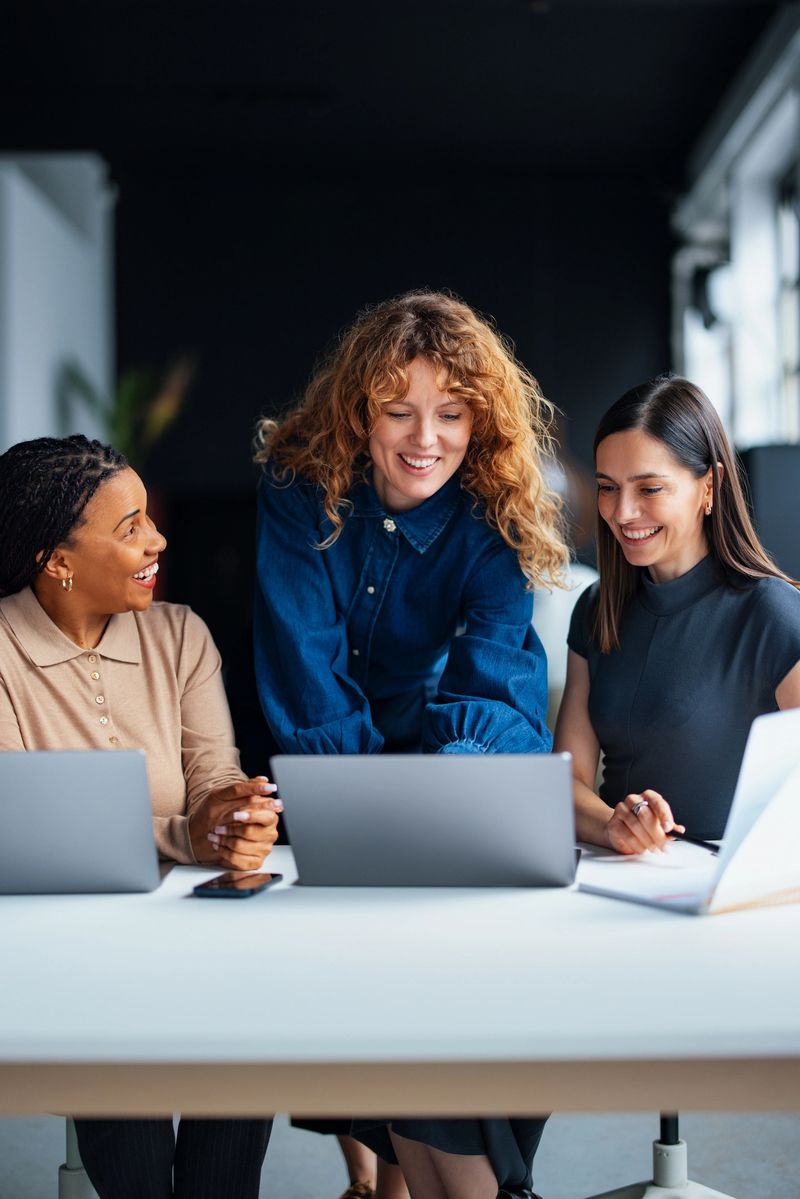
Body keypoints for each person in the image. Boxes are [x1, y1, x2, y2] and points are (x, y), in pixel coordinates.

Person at [253, 290, 568, 1199]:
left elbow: (491, 687)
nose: (424, 437)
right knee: (345, 959)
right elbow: (304, 666)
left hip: (452, 741)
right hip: (321, 738)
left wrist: (434, 804)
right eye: (398, 410)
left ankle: (464, 1180)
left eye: (452, 412)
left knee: (457, 953)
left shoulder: (497, 509)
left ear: (480, 420)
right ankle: (375, 1175)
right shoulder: (297, 485)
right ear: (361, 410)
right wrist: (364, 818)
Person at [0, 435, 280, 1199]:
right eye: (130, 528)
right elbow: (25, 827)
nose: (157, 537)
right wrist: (183, 835)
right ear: (56, 560)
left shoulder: (179, 633)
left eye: (151, 518)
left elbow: (211, 774)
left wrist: (233, 815)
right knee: (111, 1010)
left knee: (247, 1014)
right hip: (61, 938)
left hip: (191, 927)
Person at [554, 375, 800, 853]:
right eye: (608, 487)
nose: (622, 512)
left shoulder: (773, 614)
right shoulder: (596, 609)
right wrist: (615, 825)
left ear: (710, 486)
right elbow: (568, 780)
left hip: (724, 888)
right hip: (615, 876)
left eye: (649, 488)